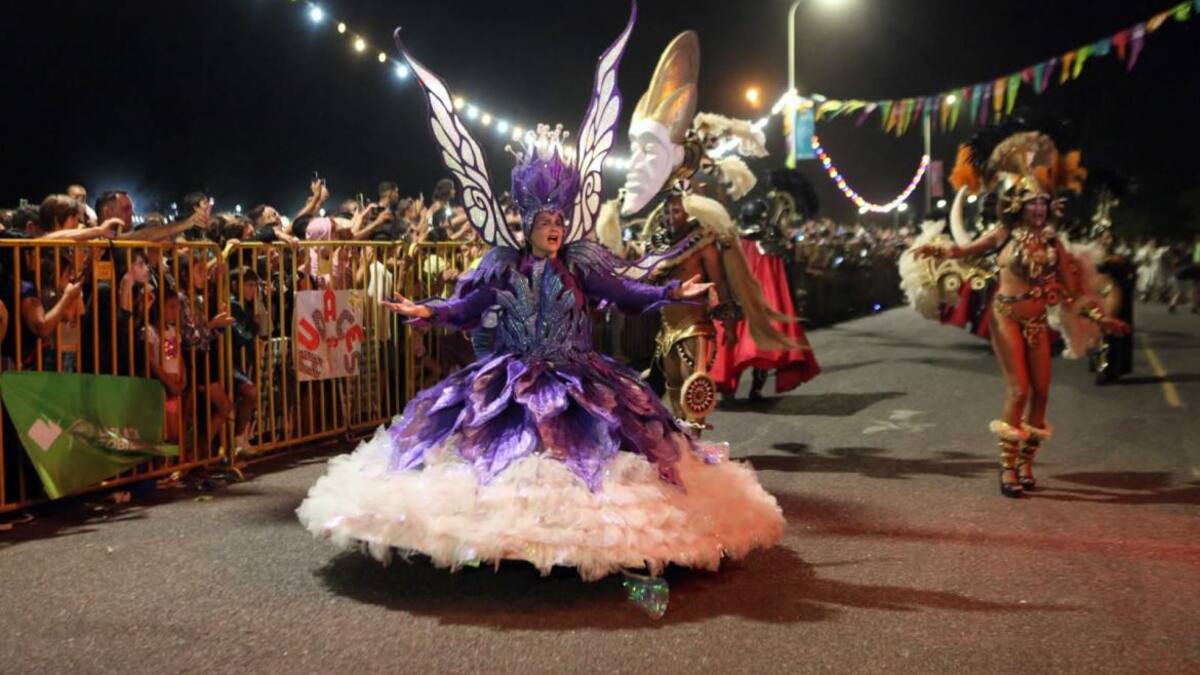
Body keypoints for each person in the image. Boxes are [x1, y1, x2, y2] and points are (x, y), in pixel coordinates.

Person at [298, 14, 783, 581]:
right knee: (492, 453)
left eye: (560, 219)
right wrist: (426, 310)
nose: (556, 228)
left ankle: (578, 546)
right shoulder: (502, 263)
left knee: (593, 457)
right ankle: (493, 544)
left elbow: (627, 291)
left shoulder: (581, 260)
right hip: (507, 378)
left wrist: (675, 289)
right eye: (546, 220)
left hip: (578, 376)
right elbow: (468, 309)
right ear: (528, 222)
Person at [914, 131, 1128, 498]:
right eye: (1033, 202)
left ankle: (1027, 463)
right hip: (1006, 317)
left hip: (1037, 321)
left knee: (1042, 393)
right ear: (1018, 204)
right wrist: (938, 250)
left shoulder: (1052, 244)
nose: (1040, 208)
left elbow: (1074, 295)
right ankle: (1007, 467)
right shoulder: (1003, 234)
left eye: (1044, 202)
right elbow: (966, 251)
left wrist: (1100, 318)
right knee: (1019, 390)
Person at [604, 31, 800, 431]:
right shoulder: (656, 228)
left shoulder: (704, 233)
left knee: (694, 404)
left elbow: (721, 282)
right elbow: (644, 272)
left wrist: (727, 323)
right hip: (665, 328)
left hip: (695, 328)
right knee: (673, 396)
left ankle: (700, 469)